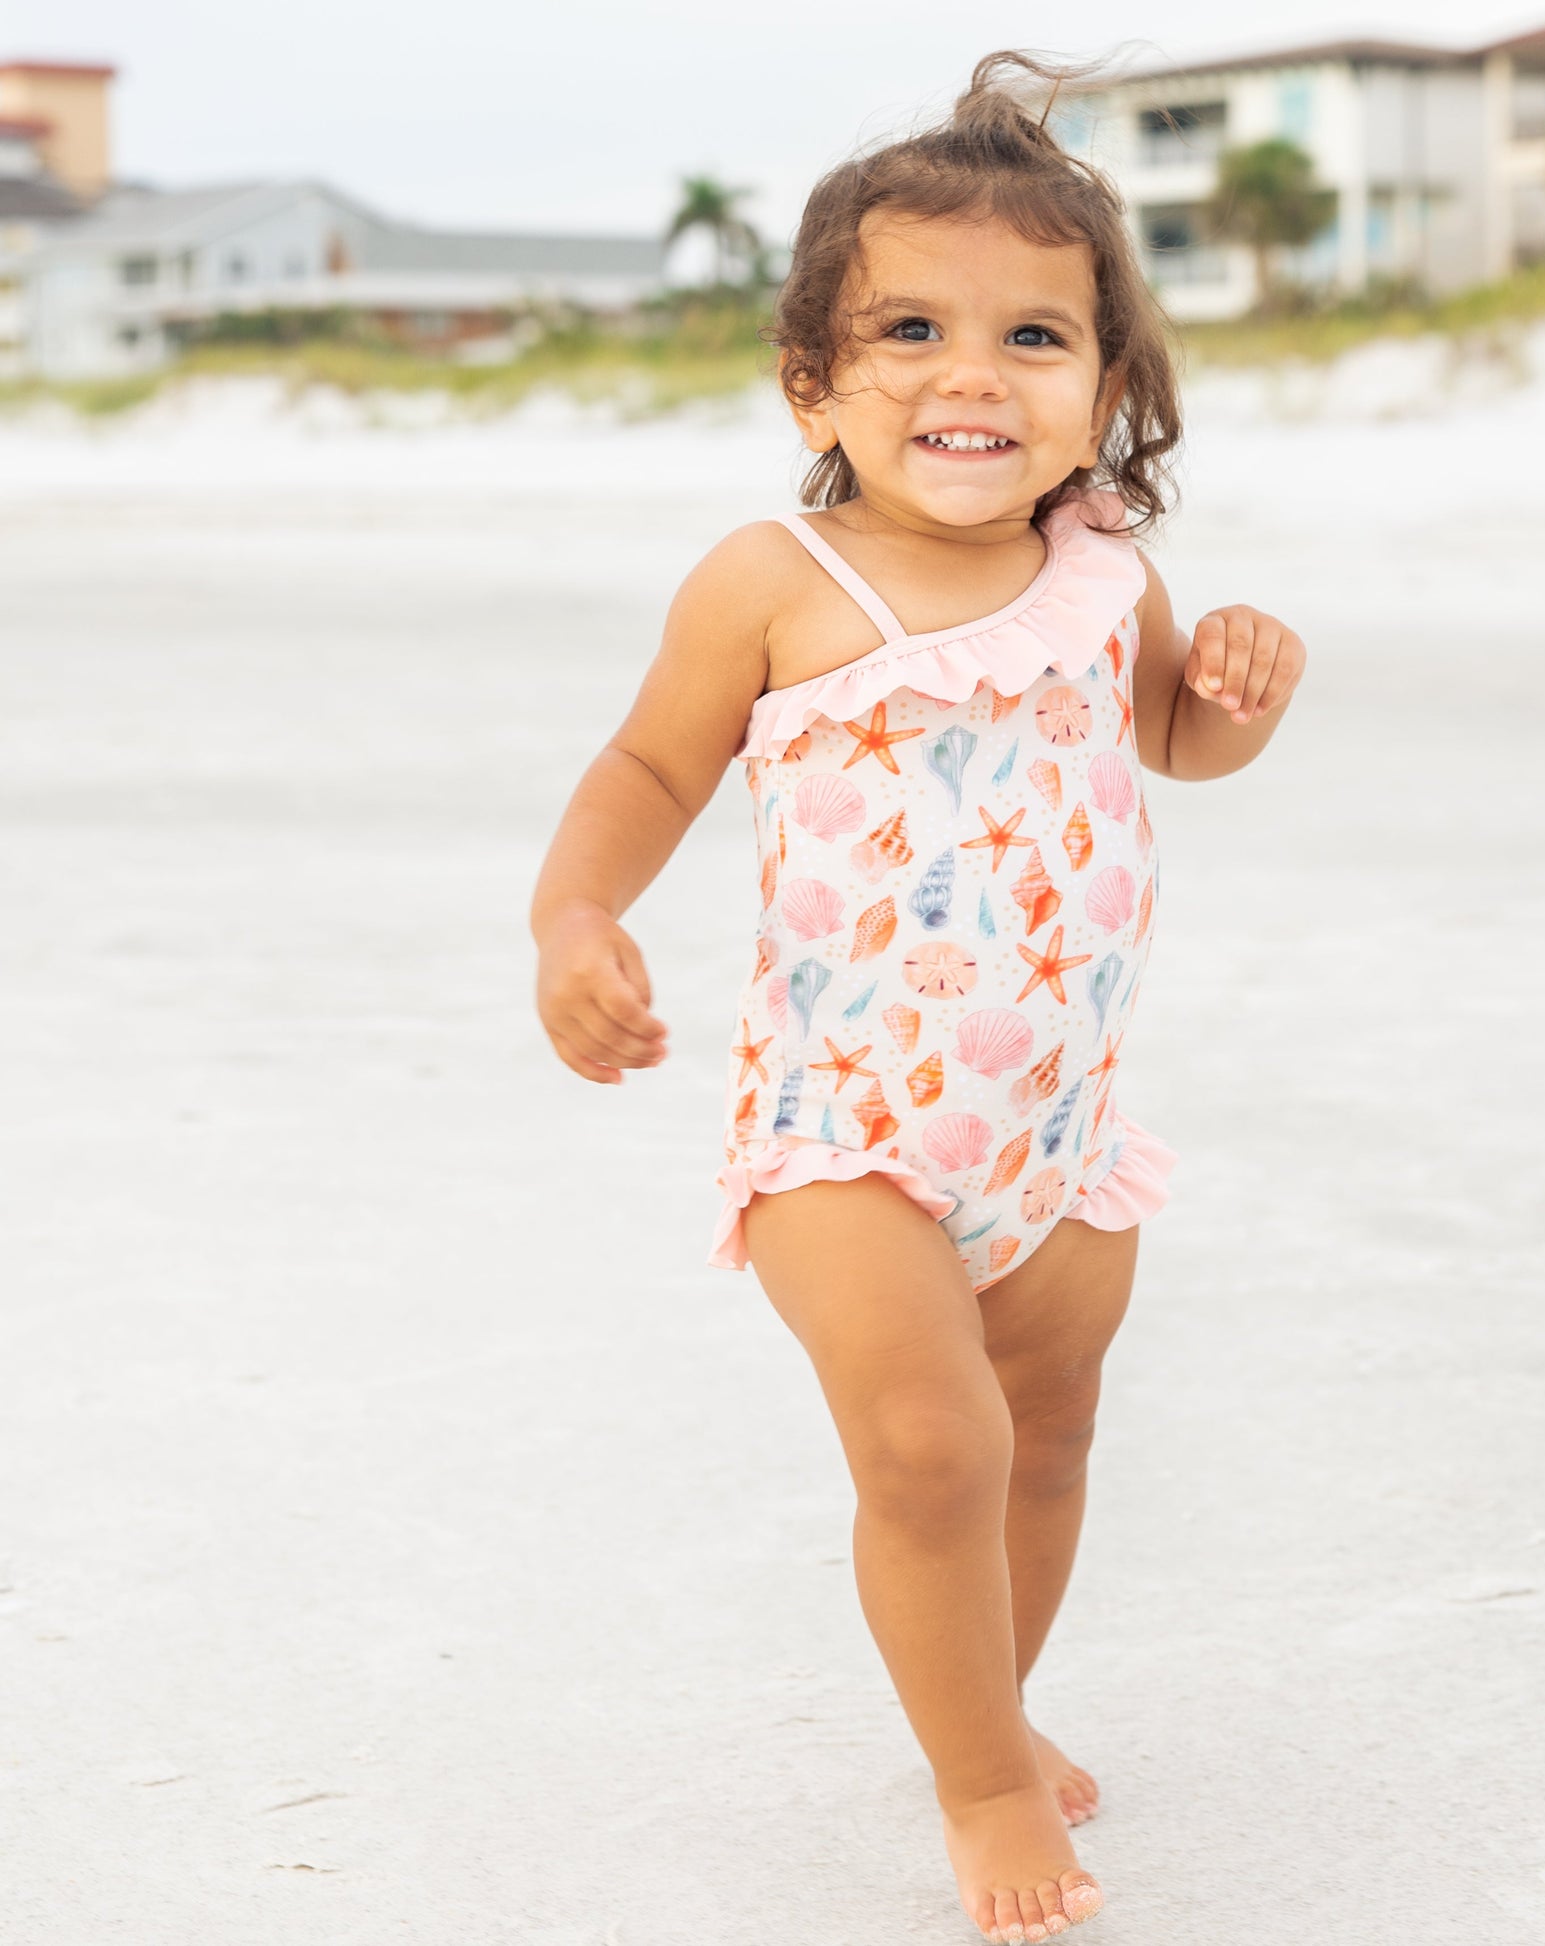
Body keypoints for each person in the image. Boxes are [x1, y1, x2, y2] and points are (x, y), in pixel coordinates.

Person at [530, 49, 1306, 1945]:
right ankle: (978, 1782)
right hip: (846, 1125)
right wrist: (574, 919)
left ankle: (998, 1704)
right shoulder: (772, 579)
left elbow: (1158, 751)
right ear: (812, 379)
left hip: (1049, 1127)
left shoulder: (1099, 569)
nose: (973, 374)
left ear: (1104, 391)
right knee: (929, 1444)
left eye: (1035, 334)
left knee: (1045, 1436)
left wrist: (1228, 708)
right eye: (908, 330)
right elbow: (646, 772)